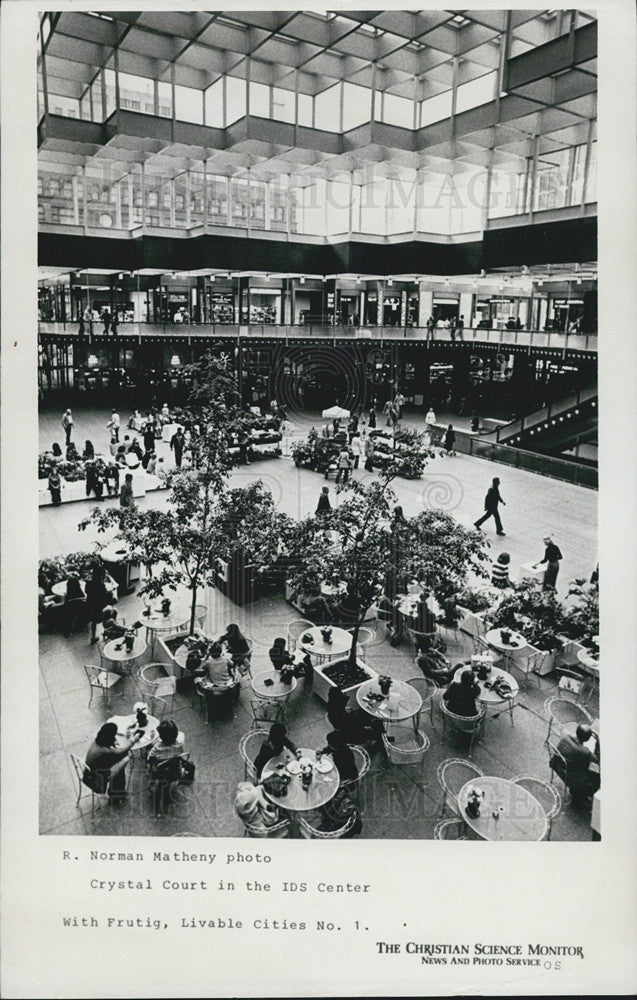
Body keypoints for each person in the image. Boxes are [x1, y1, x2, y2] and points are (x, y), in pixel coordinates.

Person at [85, 722, 142, 804]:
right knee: (122, 765)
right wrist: (133, 740)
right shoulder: (105, 751)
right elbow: (120, 751)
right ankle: (116, 796)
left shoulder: (97, 741)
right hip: (97, 778)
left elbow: (113, 752)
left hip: (89, 773)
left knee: (120, 762)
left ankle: (116, 793)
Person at [553, 724, 600, 808]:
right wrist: (598, 744)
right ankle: (580, 797)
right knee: (597, 777)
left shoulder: (565, 736)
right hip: (570, 776)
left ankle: (578, 794)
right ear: (587, 739)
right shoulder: (585, 752)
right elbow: (597, 759)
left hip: (557, 765)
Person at [85, 564, 111, 643]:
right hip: (100, 606)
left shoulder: (88, 583)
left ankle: (93, 637)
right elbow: (103, 596)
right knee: (106, 617)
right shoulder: (101, 584)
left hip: (91, 605)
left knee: (94, 621)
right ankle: (106, 632)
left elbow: (87, 592)